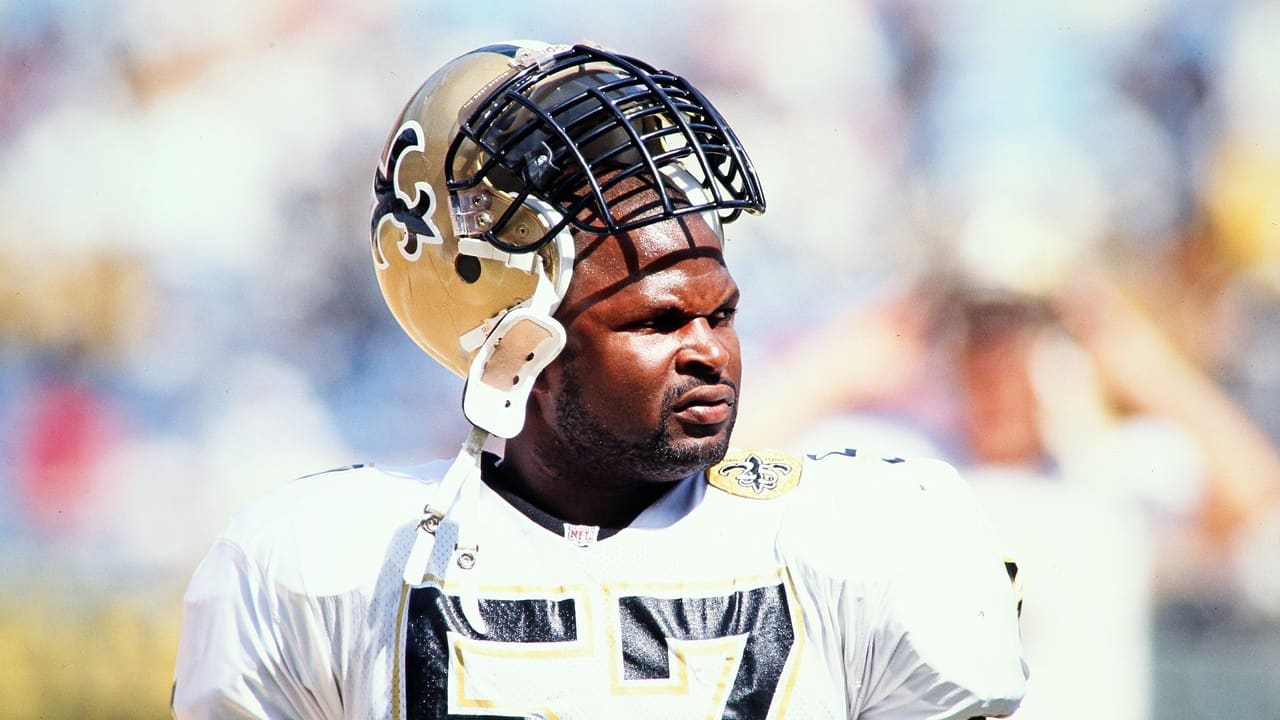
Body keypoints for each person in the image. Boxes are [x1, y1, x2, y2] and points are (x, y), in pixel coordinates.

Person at [171, 40, 1027, 719]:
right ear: (522, 351)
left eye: (720, 315)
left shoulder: (863, 539)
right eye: (657, 322)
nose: (711, 352)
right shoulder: (324, 562)